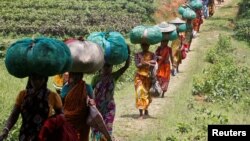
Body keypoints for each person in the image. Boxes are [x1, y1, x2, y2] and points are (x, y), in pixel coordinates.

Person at [0, 74, 63, 141]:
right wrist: (6, 130)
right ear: (30, 79)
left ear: (45, 79)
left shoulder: (53, 96)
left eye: (40, 78)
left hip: (44, 136)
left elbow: (61, 116)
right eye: (34, 78)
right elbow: (14, 114)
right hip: (25, 136)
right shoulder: (22, 95)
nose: (36, 81)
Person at [91, 46, 130, 141]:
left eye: (110, 66)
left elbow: (125, 67)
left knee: (108, 128)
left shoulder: (114, 76)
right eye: (105, 66)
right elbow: (90, 92)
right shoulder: (96, 79)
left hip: (109, 107)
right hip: (97, 108)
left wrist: (128, 54)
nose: (107, 68)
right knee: (97, 129)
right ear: (101, 67)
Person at [61, 72, 95, 141]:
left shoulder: (87, 87)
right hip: (68, 120)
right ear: (70, 75)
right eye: (73, 74)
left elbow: (93, 101)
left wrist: (90, 102)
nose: (75, 76)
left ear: (81, 75)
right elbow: (62, 103)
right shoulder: (66, 87)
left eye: (78, 74)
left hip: (83, 120)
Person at [134, 43, 156, 119]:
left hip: (148, 77)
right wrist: (144, 64)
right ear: (141, 45)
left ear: (149, 45)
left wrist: (146, 63)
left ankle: (146, 108)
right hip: (139, 77)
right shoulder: (137, 55)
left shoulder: (152, 54)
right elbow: (137, 65)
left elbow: (154, 63)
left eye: (146, 45)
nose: (145, 46)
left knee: (147, 94)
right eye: (143, 45)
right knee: (139, 93)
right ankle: (141, 114)